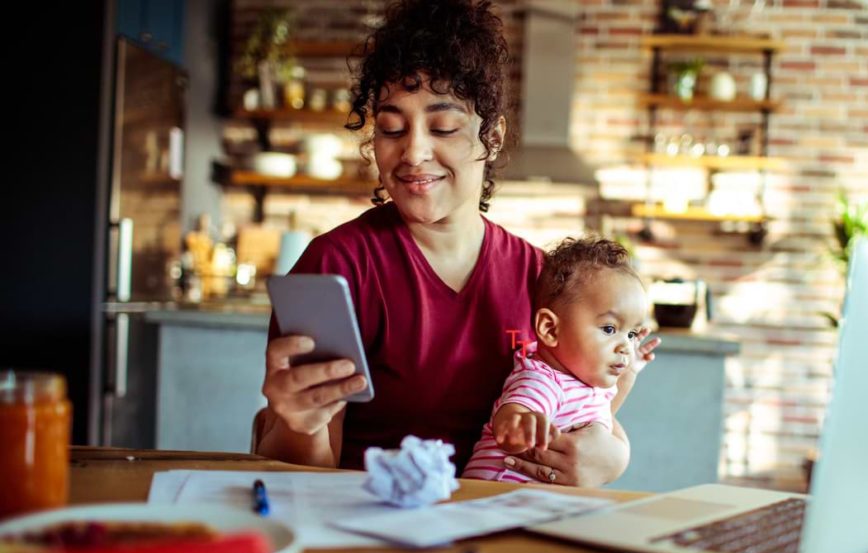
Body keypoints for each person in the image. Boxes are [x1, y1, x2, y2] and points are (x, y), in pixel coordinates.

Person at [257, 0, 657, 487]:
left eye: (443, 127)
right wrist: (300, 425)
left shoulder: (544, 279)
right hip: (374, 532)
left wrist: (614, 454)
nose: (414, 153)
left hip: (502, 535)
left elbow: (588, 404)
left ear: (491, 136)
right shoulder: (335, 266)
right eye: (391, 128)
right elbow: (298, 479)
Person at [462, 237, 655, 483]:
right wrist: (520, 423)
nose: (625, 346)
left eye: (631, 334)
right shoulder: (544, 379)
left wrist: (630, 372)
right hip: (492, 496)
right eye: (609, 329)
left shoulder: (584, 383)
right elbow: (514, 413)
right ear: (550, 329)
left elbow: (605, 411)